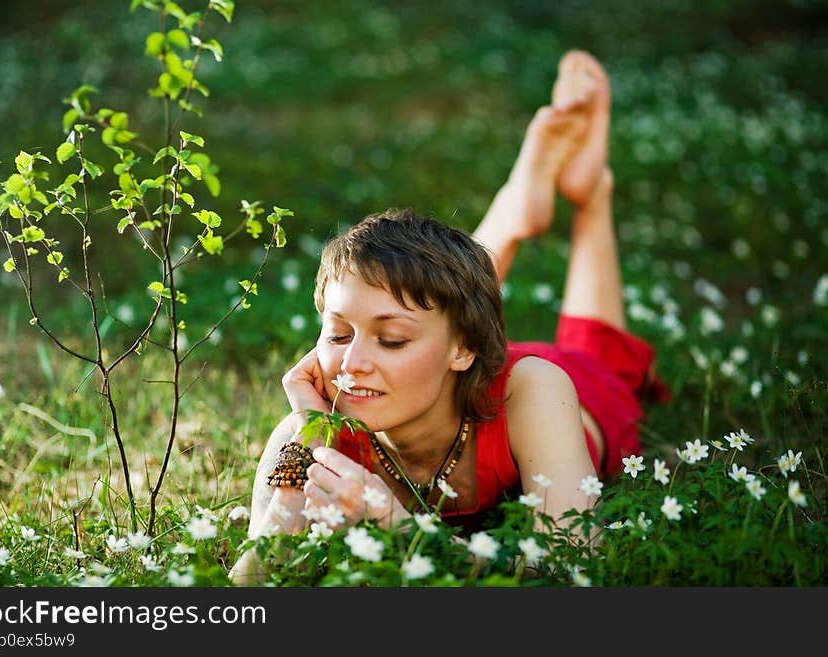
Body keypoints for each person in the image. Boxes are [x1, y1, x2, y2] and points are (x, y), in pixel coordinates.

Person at [229, 50, 668, 584]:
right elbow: (248, 586)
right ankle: (520, 206)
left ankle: (592, 194)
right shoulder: (309, 432)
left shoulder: (532, 393)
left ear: (466, 351)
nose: (352, 364)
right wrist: (309, 434)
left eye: (390, 340)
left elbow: (573, 565)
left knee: (599, 355)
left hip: (566, 386)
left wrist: (398, 528)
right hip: (447, 360)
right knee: (436, 294)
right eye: (338, 333)